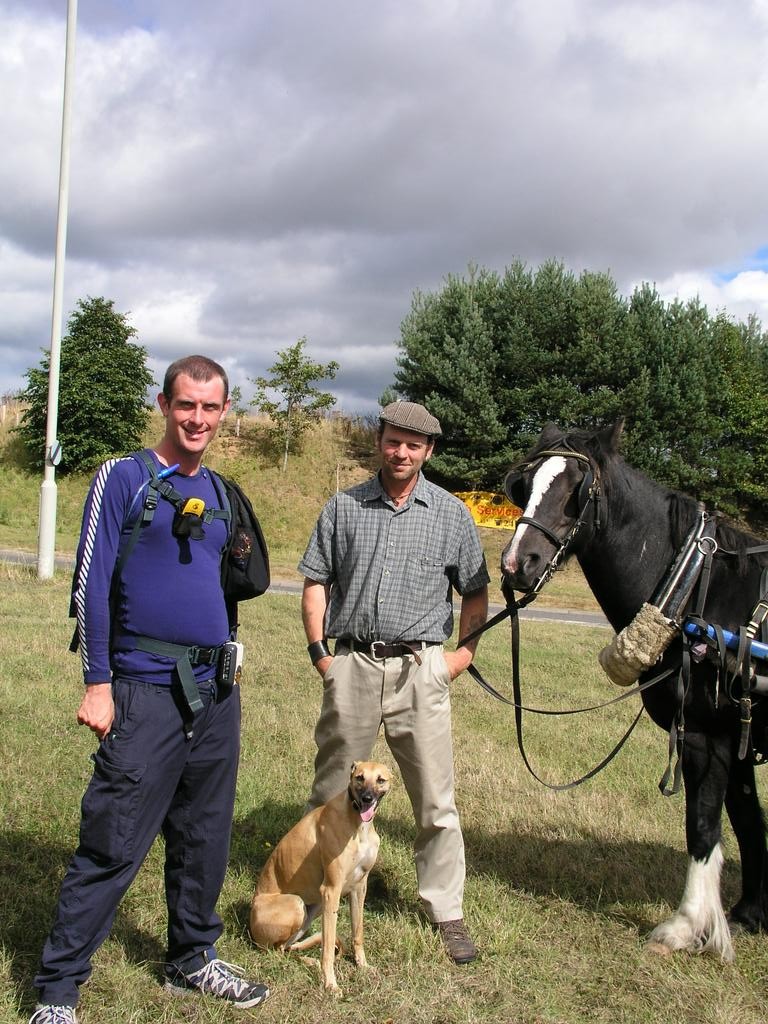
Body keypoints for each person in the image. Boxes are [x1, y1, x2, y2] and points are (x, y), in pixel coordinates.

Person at [29, 356, 269, 1024]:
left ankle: (193, 958)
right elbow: (92, 585)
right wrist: (98, 683)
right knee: (114, 835)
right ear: (164, 404)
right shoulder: (124, 477)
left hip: (216, 691)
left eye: (210, 407)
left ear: (225, 411)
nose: (197, 419)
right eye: (186, 405)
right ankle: (57, 990)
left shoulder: (222, 492)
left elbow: (232, 587)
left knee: (204, 835)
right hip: (143, 687)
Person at [298, 400, 490, 964]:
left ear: (428, 451)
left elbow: (475, 592)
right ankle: (315, 894)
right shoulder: (343, 507)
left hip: (420, 669)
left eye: (413, 444)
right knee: (333, 790)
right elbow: (315, 581)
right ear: (379, 440)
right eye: (392, 440)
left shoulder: (452, 514)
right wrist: (321, 656)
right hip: (352, 664)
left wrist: (458, 658)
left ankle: (446, 910)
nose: (400, 452)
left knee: (435, 798)